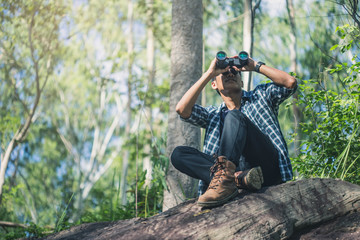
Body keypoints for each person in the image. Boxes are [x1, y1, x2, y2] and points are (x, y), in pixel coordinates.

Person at [171, 53, 297, 208]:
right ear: (214, 84)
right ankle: (237, 179)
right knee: (179, 154)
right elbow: (182, 109)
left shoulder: (261, 96)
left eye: (234, 72)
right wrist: (209, 73)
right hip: (239, 173)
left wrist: (254, 65)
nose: (230, 73)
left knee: (235, 116)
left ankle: (228, 179)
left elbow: (290, 83)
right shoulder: (212, 115)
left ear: (242, 82)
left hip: (266, 169)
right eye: (224, 73)